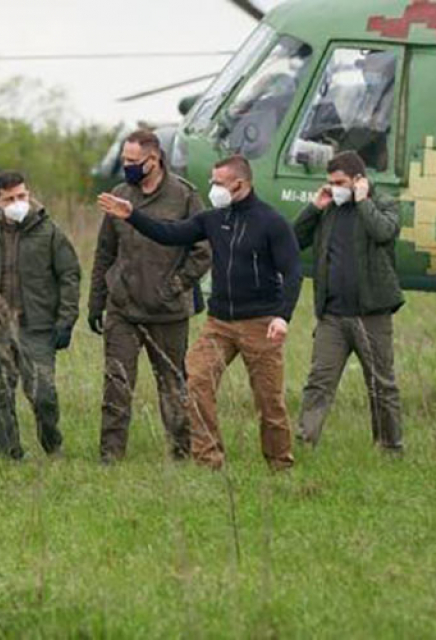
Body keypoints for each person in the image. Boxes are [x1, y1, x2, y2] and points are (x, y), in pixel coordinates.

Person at [98, 155, 302, 471]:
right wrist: (132, 216)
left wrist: (282, 316)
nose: (212, 188)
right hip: (219, 323)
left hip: (260, 323)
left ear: (239, 183)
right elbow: (171, 233)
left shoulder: (272, 223)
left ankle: (280, 464)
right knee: (194, 382)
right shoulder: (212, 219)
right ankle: (208, 460)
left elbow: (293, 272)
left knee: (269, 401)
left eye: (218, 182)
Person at [89, 130, 211, 463]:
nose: (126, 166)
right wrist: (96, 302)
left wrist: (175, 286)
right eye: (124, 160)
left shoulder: (184, 196)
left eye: (132, 161)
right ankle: (110, 457)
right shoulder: (119, 194)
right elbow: (104, 252)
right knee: (116, 385)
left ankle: (181, 453)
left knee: (173, 386)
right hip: (123, 309)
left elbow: (203, 251)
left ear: (153, 160)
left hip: (168, 313)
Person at [0, 171, 81, 460]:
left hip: (37, 327)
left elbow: (69, 275)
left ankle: (52, 446)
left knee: (44, 396)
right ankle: (11, 454)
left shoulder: (49, 231)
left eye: (22, 196)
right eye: (10, 198)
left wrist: (66, 320)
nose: (18, 202)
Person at [293, 151, 405, 452]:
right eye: (330, 183)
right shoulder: (328, 209)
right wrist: (314, 208)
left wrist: (363, 200)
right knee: (319, 382)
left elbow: (383, 232)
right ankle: (304, 443)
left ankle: (390, 447)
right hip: (332, 315)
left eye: (340, 182)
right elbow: (293, 240)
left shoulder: (384, 204)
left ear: (358, 180)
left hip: (371, 315)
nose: (334, 188)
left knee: (382, 384)